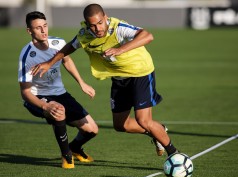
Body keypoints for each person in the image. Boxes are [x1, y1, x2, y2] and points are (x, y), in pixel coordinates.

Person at [31, 4, 179, 157]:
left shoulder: (118, 28)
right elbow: (70, 47)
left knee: (143, 120)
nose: (97, 28)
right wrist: (49, 63)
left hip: (140, 73)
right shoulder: (85, 34)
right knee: (121, 125)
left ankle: (175, 154)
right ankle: (158, 130)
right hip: (119, 78)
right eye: (92, 26)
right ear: (87, 25)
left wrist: (120, 49)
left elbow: (148, 36)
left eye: (100, 23)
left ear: (105, 17)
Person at [18, 11, 99, 169]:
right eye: (38, 28)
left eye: (45, 26)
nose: (43, 30)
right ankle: (66, 156)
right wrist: (45, 106)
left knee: (92, 130)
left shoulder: (58, 43)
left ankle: (75, 148)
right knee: (58, 110)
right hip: (37, 97)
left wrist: (82, 83)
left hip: (60, 94)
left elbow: (67, 61)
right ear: (29, 31)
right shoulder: (27, 56)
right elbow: (25, 92)